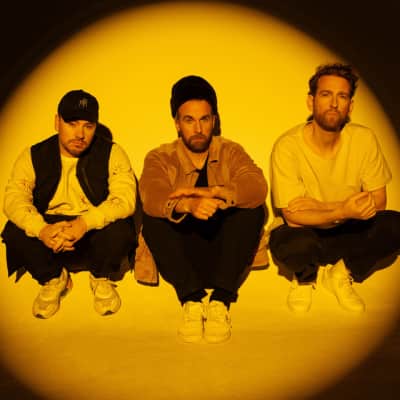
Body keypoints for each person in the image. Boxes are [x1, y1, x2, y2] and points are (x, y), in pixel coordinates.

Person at [139, 75, 267, 343]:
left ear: (214, 120)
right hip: (184, 259)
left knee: (253, 208)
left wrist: (217, 192)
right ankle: (192, 301)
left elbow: (257, 186)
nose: (197, 128)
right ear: (177, 123)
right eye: (189, 120)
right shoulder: (160, 156)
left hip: (225, 257)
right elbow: (152, 195)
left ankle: (220, 301)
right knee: (152, 216)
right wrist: (187, 204)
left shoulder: (231, 151)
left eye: (204, 119)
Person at [269, 63, 400, 313]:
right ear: (311, 101)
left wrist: (322, 207)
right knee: (291, 242)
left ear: (350, 106)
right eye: (326, 94)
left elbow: (379, 202)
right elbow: (293, 216)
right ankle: (305, 278)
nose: (334, 103)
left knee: (395, 225)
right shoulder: (287, 146)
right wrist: (344, 209)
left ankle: (340, 273)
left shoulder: (364, 139)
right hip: (307, 233)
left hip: (348, 232)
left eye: (342, 96)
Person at [2, 89, 137, 319]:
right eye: (72, 124)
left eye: (88, 126)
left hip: (92, 233)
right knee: (14, 231)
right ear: (57, 122)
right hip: (51, 236)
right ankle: (54, 278)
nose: (80, 134)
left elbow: (125, 199)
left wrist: (83, 224)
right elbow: (14, 198)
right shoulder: (33, 155)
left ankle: (100, 276)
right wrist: (42, 230)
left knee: (121, 229)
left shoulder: (112, 152)